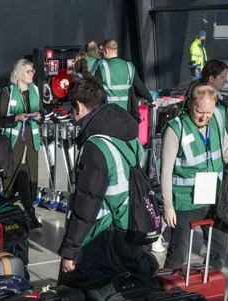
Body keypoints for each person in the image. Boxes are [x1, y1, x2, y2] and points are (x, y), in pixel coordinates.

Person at [58, 74, 156, 281]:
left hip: (99, 236)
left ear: (78, 105)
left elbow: (87, 203)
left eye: (71, 109)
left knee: (78, 295)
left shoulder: (96, 146)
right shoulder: (128, 135)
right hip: (130, 227)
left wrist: (70, 250)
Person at [160, 84, 228, 270]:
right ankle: (167, 290)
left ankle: (208, 284)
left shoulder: (217, 118)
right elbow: (166, 171)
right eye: (199, 112)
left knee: (219, 249)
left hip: (214, 198)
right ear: (190, 104)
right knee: (179, 252)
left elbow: (226, 150)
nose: (204, 117)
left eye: (208, 113)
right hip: (185, 201)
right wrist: (168, 206)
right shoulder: (176, 129)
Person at [0, 58, 44, 227]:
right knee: (11, 178)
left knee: (29, 177)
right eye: (29, 71)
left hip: (31, 142)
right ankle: (10, 211)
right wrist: (16, 118)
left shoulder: (36, 91)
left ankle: (29, 213)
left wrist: (39, 117)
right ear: (19, 74)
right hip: (13, 142)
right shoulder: (7, 92)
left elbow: (43, 115)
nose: (32, 74)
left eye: (33, 71)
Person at [91, 39, 153, 116]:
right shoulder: (129, 67)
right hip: (126, 114)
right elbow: (140, 87)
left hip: (108, 113)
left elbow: (94, 89)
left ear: (106, 51)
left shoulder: (102, 67)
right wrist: (152, 100)